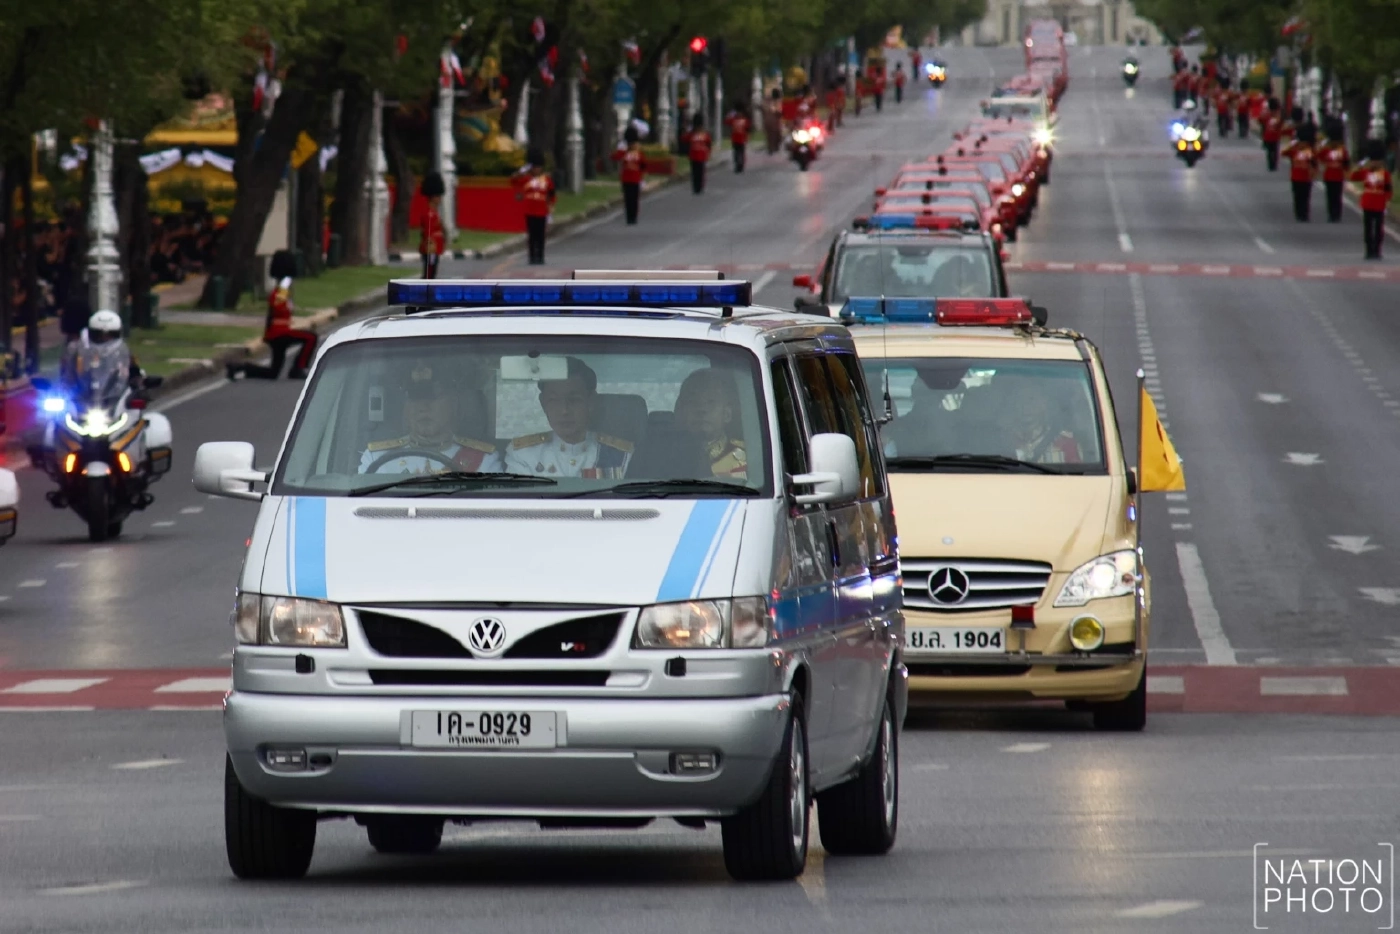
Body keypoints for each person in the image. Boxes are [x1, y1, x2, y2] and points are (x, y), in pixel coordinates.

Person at [495, 357, 633, 478]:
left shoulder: (620, 455)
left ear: (590, 402)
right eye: (554, 400)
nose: (564, 410)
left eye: (574, 400)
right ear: (543, 404)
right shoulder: (523, 454)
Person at [358, 363, 496, 474]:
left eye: (432, 397)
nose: (423, 407)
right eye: (415, 398)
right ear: (405, 408)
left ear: (453, 403)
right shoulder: (375, 458)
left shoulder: (484, 460)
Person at [227, 252, 317, 380]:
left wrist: (267, 334)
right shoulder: (283, 287)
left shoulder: (281, 287)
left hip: (276, 333)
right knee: (311, 337)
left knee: (273, 372)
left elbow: (272, 312)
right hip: (281, 332)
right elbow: (278, 306)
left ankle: (239, 367)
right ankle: (298, 368)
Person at [673, 368, 747, 479]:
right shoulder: (660, 456)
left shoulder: (748, 459)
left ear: (727, 414)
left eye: (711, 402)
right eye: (693, 402)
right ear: (681, 412)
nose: (702, 409)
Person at [60, 310, 144, 395]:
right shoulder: (77, 349)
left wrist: (137, 382)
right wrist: (66, 388)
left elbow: (134, 372)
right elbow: (67, 373)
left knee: (135, 405)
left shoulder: (122, 351)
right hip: (82, 395)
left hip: (115, 396)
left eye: (111, 335)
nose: (105, 338)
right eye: (98, 334)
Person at [1350, 140, 1394, 259]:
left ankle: (1377, 250)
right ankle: (1369, 250)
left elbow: (1388, 189)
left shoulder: (1385, 174)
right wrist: (1360, 165)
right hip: (1367, 202)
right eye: (1373, 160)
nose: (1375, 163)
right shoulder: (1365, 172)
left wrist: (1387, 201)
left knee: (1379, 229)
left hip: (1379, 202)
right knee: (1368, 228)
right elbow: (1353, 177)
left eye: (1377, 160)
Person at [513, 148, 555, 265]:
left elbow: (551, 195)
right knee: (531, 236)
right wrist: (522, 171)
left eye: (538, 167)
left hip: (542, 211)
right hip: (530, 211)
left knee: (541, 236)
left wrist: (550, 209)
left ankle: (540, 256)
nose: (536, 170)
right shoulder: (526, 179)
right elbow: (513, 180)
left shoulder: (547, 180)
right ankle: (532, 257)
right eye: (535, 167)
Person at [1281, 123, 1319, 221]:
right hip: (1296, 176)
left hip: (1306, 177)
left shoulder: (1310, 150)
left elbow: (1314, 163)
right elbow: (1283, 153)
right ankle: (1299, 214)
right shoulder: (1294, 149)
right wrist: (1292, 144)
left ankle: (1304, 214)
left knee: (1305, 197)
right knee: (1297, 196)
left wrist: (1314, 173)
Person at [1317, 118, 1351, 223]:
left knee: (1336, 196)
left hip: (1337, 176)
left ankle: (1336, 214)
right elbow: (1318, 156)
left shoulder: (1341, 150)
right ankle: (1332, 214)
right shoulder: (1328, 149)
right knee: (1331, 196)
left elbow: (1346, 163)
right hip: (1329, 176)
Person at [611, 126, 645, 224]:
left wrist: (641, 177)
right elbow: (614, 157)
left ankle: (633, 217)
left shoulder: (638, 152)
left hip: (634, 179)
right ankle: (630, 217)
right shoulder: (624, 152)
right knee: (628, 199)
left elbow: (643, 165)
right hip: (627, 179)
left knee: (634, 199)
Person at [419, 172, 446, 279]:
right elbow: (427, 233)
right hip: (431, 249)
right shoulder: (429, 213)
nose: (440, 199)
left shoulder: (434, 212)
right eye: (438, 196)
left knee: (432, 272)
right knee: (429, 274)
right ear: (433, 197)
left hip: (435, 248)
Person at [681, 113, 712, 195]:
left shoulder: (704, 134)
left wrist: (708, 153)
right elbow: (684, 139)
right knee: (695, 172)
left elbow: (708, 144)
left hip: (701, 156)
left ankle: (700, 186)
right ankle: (696, 187)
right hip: (694, 156)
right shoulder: (692, 134)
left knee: (701, 172)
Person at [724, 103, 751, 174]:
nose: (739, 114)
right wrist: (730, 114)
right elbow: (726, 122)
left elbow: (748, 129)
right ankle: (737, 165)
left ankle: (741, 165)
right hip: (735, 139)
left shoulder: (744, 120)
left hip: (742, 139)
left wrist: (747, 137)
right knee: (736, 153)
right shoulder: (733, 119)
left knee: (741, 153)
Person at [1261, 98, 1284, 171]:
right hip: (1275, 137)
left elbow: (1261, 121)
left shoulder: (1267, 115)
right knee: (1275, 150)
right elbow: (1281, 125)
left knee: (1270, 151)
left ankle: (1271, 164)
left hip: (1268, 136)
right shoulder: (1278, 117)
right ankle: (1274, 164)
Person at [764, 88, 783, 155]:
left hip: (769, 121)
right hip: (774, 121)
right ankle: (772, 147)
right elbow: (779, 112)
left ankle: (772, 147)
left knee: (771, 135)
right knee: (774, 134)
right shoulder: (775, 102)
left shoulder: (770, 101)